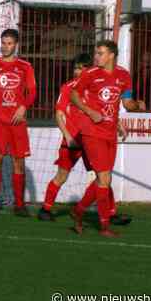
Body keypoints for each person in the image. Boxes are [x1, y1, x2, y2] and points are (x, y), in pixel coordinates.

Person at [38, 53, 131, 226]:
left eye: (82, 68)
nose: (78, 71)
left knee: (103, 176)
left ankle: (111, 214)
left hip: (92, 137)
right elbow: (59, 114)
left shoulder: (96, 87)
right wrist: (67, 136)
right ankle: (45, 208)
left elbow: (105, 111)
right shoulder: (68, 88)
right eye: (76, 68)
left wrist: (118, 124)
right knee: (62, 175)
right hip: (73, 140)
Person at [69, 40, 145, 237]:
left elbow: (127, 103)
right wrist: (89, 111)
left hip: (110, 133)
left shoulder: (123, 75)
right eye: (96, 53)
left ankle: (78, 210)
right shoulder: (90, 74)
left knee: (104, 180)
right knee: (104, 178)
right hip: (92, 131)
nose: (96, 57)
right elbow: (73, 95)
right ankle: (104, 227)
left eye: (100, 53)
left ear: (111, 55)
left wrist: (138, 106)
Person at [0, 29, 37, 217]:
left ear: (16, 45)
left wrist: (23, 107)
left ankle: (20, 205)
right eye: (3, 42)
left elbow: (31, 92)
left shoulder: (25, 66)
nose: (6, 46)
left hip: (17, 122)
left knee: (18, 162)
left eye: (9, 43)